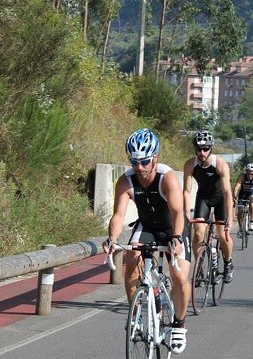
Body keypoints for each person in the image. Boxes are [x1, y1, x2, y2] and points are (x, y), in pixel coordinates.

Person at [102, 128, 191, 354]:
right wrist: (112, 238)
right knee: (131, 259)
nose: (139, 167)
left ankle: (179, 324)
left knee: (179, 275)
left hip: (174, 227)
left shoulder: (167, 177)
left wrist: (177, 238)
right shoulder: (126, 181)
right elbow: (118, 216)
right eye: (134, 161)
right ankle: (137, 316)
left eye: (144, 161)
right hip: (147, 227)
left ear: (155, 158)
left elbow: (179, 213)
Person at [183, 130, 235, 283]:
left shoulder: (219, 164)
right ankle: (198, 269)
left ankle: (228, 262)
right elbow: (186, 190)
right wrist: (186, 213)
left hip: (220, 199)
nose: (202, 152)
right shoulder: (190, 164)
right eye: (199, 149)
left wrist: (230, 219)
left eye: (205, 148)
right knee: (198, 232)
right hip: (203, 198)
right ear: (195, 149)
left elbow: (227, 192)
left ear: (211, 148)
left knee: (222, 236)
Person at [233, 163, 253, 232]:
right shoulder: (242, 176)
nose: (250, 175)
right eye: (248, 173)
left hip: (252, 192)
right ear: (246, 172)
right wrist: (234, 195)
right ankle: (240, 228)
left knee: (251, 201)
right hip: (243, 193)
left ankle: (252, 222)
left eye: (252, 174)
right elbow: (237, 187)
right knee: (239, 210)